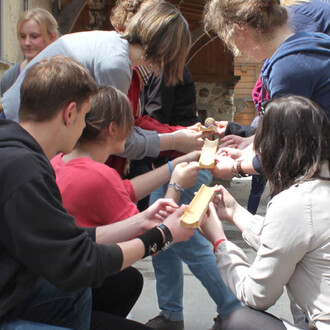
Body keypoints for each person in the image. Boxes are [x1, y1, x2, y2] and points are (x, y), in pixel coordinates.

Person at [0, 55, 195, 329]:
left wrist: (141, 221)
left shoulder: (21, 154)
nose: (83, 128)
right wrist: (162, 235)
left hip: (19, 285)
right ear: (69, 113)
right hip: (9, 303)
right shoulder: (23, 170)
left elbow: (68, 240)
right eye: (84, 116)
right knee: (90, 284)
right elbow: (80, 262)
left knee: (111, 284)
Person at [1, 1, 204, 162]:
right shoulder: (116, 64)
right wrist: (174, 141)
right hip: (23, 129)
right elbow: (115, 138)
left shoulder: (111, 45)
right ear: (167, 49)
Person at [200, 95, 330, 329]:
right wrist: (234, 211)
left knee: (238, 321)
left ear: (273, 147)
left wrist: (220, 243)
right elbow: (289, 240)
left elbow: (256, 295)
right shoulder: (317, 189)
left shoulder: (296, 202)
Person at [139, 66, 241, 330]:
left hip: (179, 165)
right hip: (170, 163)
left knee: (185, 241)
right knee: (164, 245)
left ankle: (233, 309)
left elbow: (151, 119)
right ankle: (171, 315)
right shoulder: (163, 70)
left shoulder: (166, 70)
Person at [204, 0, 330, 179]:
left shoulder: (287, 68)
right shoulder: (308, 43)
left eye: (231, 41)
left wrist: (235, 167)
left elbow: (285, 151)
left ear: (240, 30)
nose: (238, 50)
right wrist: (250, 148)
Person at [0, 8, 59, 97]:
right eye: (22, 36)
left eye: (34, 36)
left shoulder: (65, 75)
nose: (27, 43)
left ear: (52, 38)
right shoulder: (9, 78)